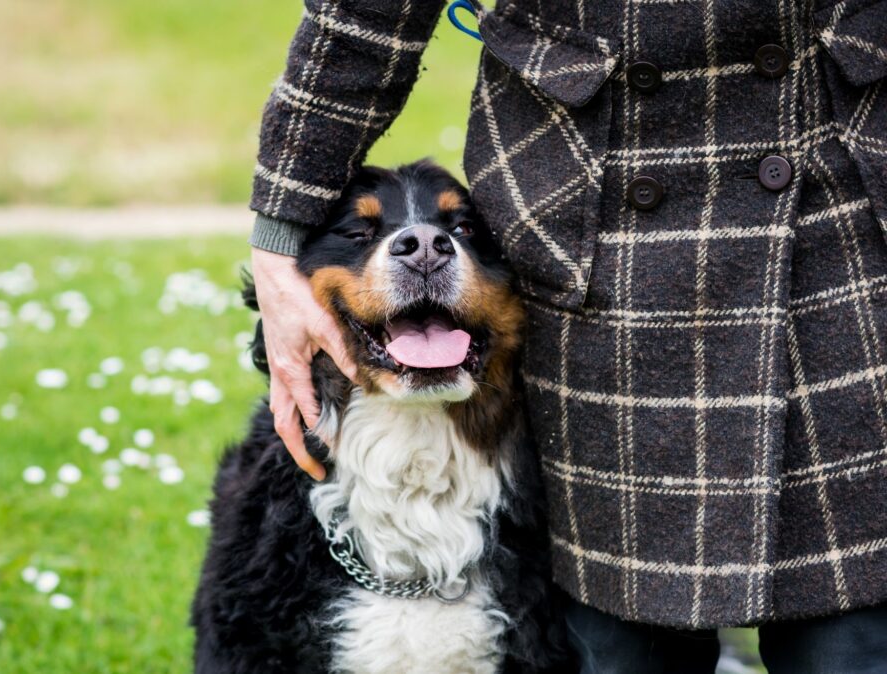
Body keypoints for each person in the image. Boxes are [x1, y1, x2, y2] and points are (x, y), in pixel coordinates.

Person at [247, 0, 887, 671]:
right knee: (622, 648)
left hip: (839, 192)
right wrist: (278, 227)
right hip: (592, 209)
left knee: (853, 641)